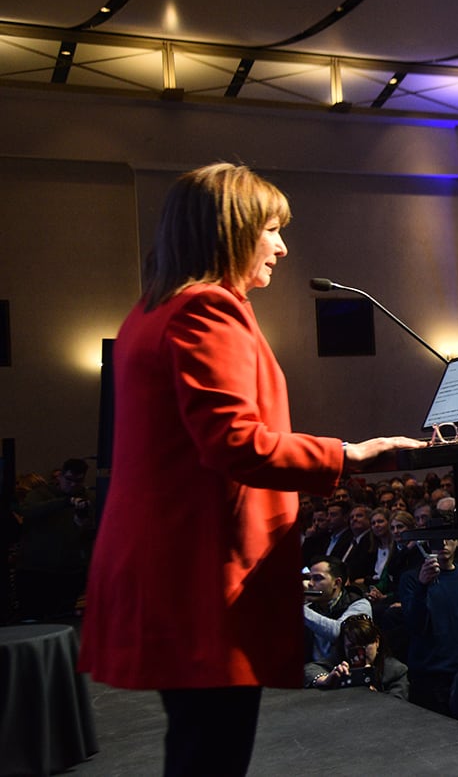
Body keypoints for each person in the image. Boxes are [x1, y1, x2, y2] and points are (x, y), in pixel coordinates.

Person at [77, 163, 423, 777]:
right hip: (202, 575)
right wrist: (351, 453)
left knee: (197, 747)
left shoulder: (148, 314)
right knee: (211, 754)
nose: (283, 247)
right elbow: (235, 443)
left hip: (167, 566)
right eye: (271, 230)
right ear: (230, 232)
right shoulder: (207, 309)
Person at [16, 457, 96, 620]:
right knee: (32, 620)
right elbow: (29, 512)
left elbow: (90, 531)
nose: (73, 485)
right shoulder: (40, 494)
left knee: (62, 621)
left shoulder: (87, 498)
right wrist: (66, 502)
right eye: (69, 479)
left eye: (78, 481)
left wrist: (83, 521)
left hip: (69, 571)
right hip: (36, 570)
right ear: (60, 476)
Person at [400, 537, 458, 717]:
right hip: (430, 673)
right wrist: (422, 586)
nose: (443, 544)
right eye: (438, 539)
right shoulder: (412, 578)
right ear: (429, 543)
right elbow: (415, 625)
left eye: (449, 538)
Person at [304, 614, 409, 700]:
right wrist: (325, 680)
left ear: (377, 642)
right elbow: (308, 670)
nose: (360, 653)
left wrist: (377, 698)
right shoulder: (340, 663)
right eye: (352, 646)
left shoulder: (395, 670)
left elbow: (400, 707)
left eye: (365, 645)